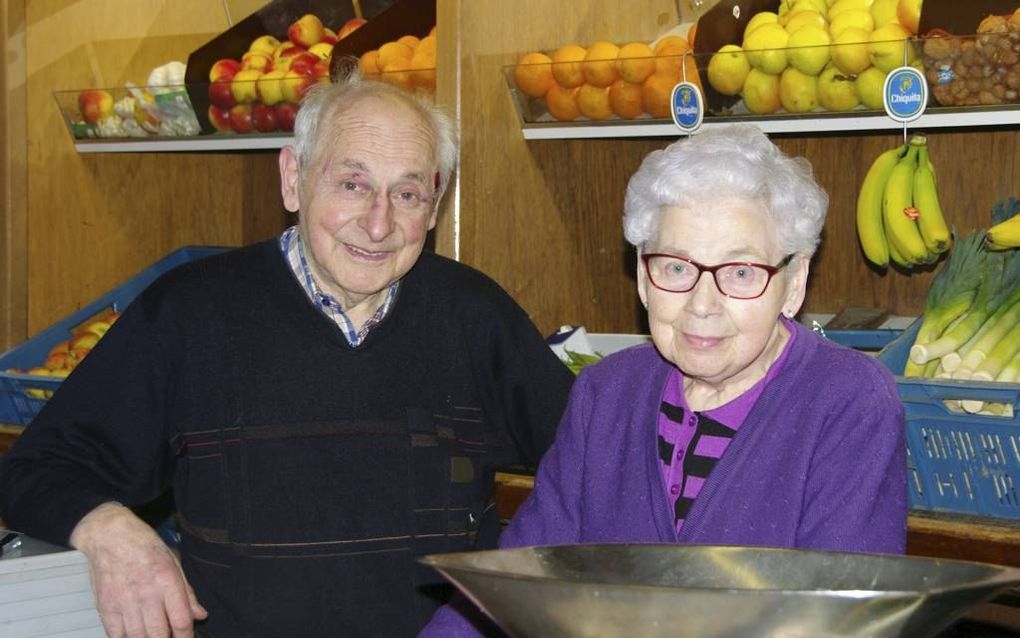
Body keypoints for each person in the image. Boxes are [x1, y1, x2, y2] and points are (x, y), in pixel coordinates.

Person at [0, 76, 574, 637]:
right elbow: (34, 470)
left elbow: (593, 461)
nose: (378, 224)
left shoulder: (474, 316)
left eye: (406, 194)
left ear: (434, 204)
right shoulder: (192, 314)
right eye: (352, 184)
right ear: (293, 178)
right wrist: (112, 534)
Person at [422, 124, 907, 636]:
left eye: (740, 272)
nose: (702, 305)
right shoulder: (606, 393)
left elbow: (845, 621)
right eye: (676, 268)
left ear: (793, 283)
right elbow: (519, 582)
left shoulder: (849, 402)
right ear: (642, 277)